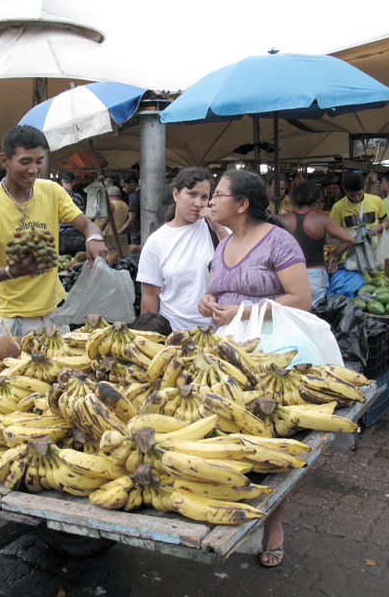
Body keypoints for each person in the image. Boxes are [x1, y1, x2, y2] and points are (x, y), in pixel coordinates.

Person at [197, 170, 310, 568]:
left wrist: (244, 310)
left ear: (242, 204)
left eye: (218, 196)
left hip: (268, 360)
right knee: (225, 438)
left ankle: (274, 526)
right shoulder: (224, 242)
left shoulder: (280, 241)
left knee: (267, 443)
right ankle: (230, 510)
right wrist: (206, 302)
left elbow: (302, 299)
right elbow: (213, 289)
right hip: (221, 359)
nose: (211, 203)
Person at [0, 125, 108, 337]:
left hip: (56, 311)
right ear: (4, 160)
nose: (33, 169)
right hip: (15, 320)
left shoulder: (51, 191)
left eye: (38, 161)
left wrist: (94, 237)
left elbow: (87, 224)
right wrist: (11, 271)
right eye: (25, 161)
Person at [137, 166, 229, 331]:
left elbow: (238, 263)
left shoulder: (217, 230)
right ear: (176, 194)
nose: (198, 203)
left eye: (204, 197)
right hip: (175, 333)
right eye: (192, 194)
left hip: (218, 332)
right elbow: (150, 294)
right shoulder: (157, 241)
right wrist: (147, 338)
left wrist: (219, 228)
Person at [277, 182, 354, 305]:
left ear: (294, 200)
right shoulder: (322, 220)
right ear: (316, 201)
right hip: (316, 276)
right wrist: (334, 255)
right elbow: (349, 239)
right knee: (315, 318)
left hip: (289, 275)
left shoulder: (282, 220)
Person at [330, 172, 389, 238]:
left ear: (364, 186)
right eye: (352, 195)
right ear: (345, 190)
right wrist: (346, 235)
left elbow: (386, 222)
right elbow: (331, 232)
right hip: (350, 247)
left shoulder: (376, 201)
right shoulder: (338, 207)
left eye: (359, 194)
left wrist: (379, 227)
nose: (356, 198)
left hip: (374, 247)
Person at [58, 171, 87, 255]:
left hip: (60, 236)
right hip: (76, 238)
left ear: (62, 181)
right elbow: (83, 218)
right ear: (74, 182)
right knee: (76, 260)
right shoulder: (77, 197)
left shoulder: (56, 196)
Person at [99, 186, 130, 252]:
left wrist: (95, 233)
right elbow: (127, 222)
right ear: (120, 195)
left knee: (109, 259)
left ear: (108, 195)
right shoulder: (126, 205)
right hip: (121, 237)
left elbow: (104, 222)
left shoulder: (110, 205)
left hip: (109, 238)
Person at [119, 171, 141, 245]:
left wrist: (117, 234)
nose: (124, 190)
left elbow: (131, 220)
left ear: (132, 182)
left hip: (137, 236)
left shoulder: (133, 196)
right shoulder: (143, 193)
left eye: (124, 186)